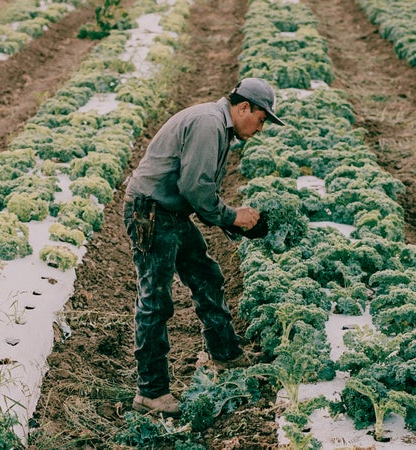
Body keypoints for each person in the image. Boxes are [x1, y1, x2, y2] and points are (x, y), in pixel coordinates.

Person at [122, 77, 285, 417]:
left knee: (206, 276)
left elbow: (198, 191)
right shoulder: (210, 124)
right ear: (244, 108)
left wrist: (230, 218)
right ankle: (150, 393)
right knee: (156, 301)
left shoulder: (219, 126)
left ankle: (224, 355)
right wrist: (232, 217)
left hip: (172, 213)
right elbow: (196, 188)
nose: (261, 127)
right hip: (152, 213)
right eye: (261, 118)